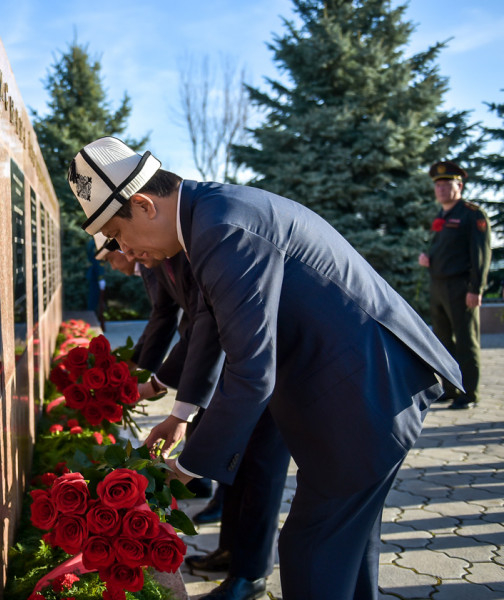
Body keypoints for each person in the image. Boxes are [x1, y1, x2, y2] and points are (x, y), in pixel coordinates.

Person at [67, 137, 462, 600]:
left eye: (117, 234)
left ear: (143, 204)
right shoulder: (206, 217)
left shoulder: (221, 227)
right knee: (344, 550)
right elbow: (212, 325)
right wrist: (182, 414)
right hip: (355, 390)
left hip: (365, 392)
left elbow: (252, 370)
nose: (125, 250)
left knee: (312, 551)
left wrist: (190, 466)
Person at [96, 235, 291, 599]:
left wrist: (163, 394)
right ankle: (233, 554)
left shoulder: (197, 249)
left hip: (268, 370)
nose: (130, 254)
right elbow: (186, 325)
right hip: (233, 369)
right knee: (238, 466)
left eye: (125, 241)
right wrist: (155, 385)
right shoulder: (164, 256)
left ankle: (251, 573)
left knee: (259, 469)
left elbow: (205, 328)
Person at [418, 161, 491, 410]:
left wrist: (476, 288)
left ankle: (469, 394)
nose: (440, 189)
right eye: (437, 185)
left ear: (459, 185)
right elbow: (445, 248)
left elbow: (481, 255)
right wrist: (429, 258)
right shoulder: (442, 215)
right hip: (438, 286)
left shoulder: (472, 214)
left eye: (446, 184)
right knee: (443, 341)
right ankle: (450, 389)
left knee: (465, 341)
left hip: (461, 288)